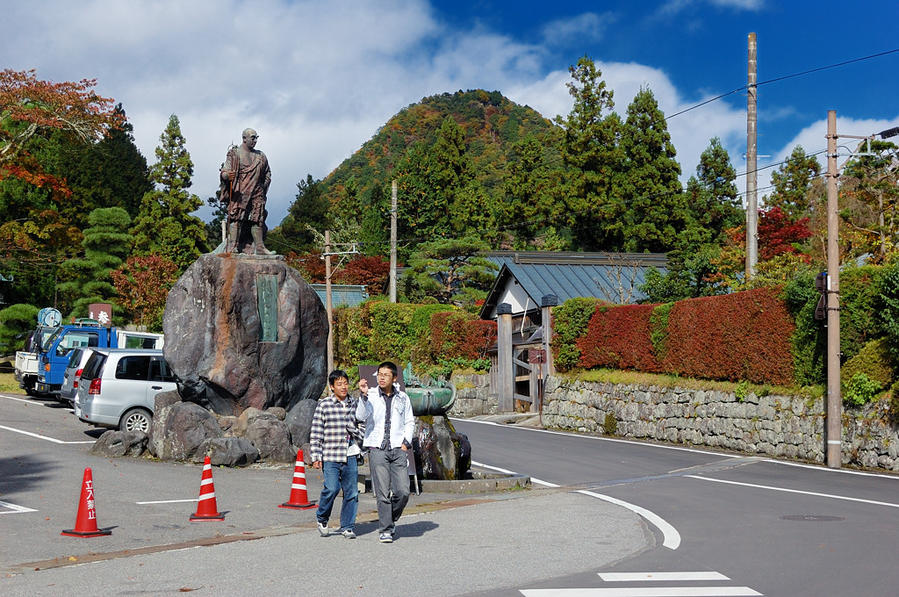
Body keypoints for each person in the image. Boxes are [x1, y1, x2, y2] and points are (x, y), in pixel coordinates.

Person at [355, 361, 414, 543]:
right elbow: (360, 416)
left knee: (403, 491)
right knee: (382, 492)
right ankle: (386, 529)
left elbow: (409, 421)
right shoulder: (370, 395)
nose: (381, 377)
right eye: (379, 374)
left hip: (397, 448)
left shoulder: (403, 397)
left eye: (385, 375)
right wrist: (363, 397)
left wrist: (405, 443)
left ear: (394, 378)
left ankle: (390, 518)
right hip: (377, 448)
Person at [310, 369, 363, 539]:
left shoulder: (354, 403)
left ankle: (347, 526)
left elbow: (363, 425)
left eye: (345, 383)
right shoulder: (324, 405)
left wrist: (354, 431)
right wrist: (316, 456)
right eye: (339, 384)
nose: (343, 387)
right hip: (331, 455)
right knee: (332, 488)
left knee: (352, 492)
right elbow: (317, 431)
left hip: (350, 453)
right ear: (332, 387)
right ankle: (322, 517)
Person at [220, 127, 272, 254]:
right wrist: (227, 176)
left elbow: (267, 174)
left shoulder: (260, 156)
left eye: (256, 138)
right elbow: (225, 171)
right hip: (240, 191)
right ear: (244, 138)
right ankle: (233, 246)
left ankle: (259, 247)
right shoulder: (235, 154)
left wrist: (262, 187)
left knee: (257, 219)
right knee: (236, 218)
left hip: (257, 192)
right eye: (252, 137)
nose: (255, 140)